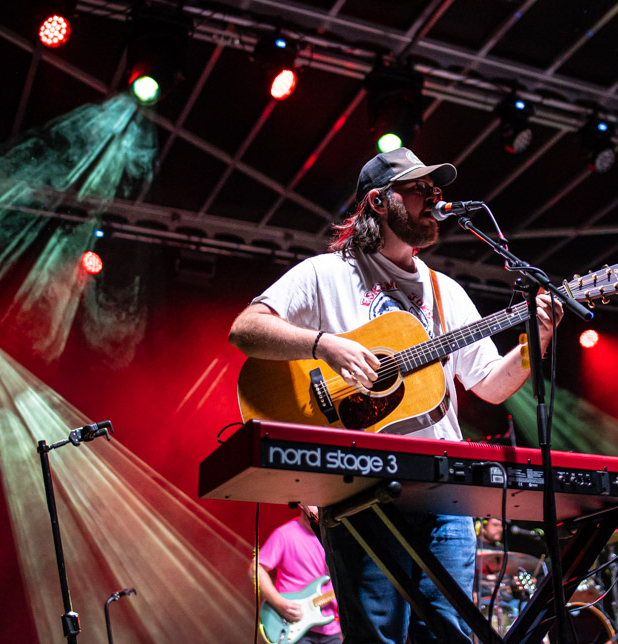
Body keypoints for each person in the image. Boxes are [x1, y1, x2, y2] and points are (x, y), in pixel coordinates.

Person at [229, 147, 563, 644]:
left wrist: (538, 340)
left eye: (436, 188)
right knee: (377, 636)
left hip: (445, 487)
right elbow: (246, 330)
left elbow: (492, 384)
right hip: (359, 486)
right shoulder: (326, 273)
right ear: (379, 202)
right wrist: (325, 345)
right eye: (419, 189)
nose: (434, 197)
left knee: (451, 632)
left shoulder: (445, 291)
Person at [250, 506, 342, 644]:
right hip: (292, 625)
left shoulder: (333, 536)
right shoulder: (284, 534)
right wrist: (278, 602)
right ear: (301, 504)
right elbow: (256, 570)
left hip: (331, 627)